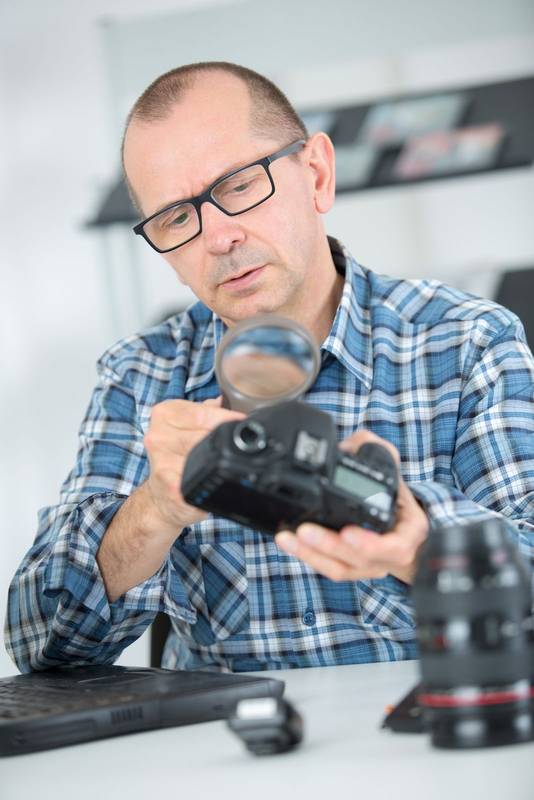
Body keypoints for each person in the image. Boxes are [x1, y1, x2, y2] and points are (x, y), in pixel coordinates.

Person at [6, 62, 534, 673]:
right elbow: (39, 645)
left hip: (431, 716)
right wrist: (156, 508)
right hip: (229, 732)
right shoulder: (140, 374)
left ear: (317, 175)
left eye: (237, 186)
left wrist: (418, 543)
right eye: (176, 218)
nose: (217, 238)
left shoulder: (467, 340)